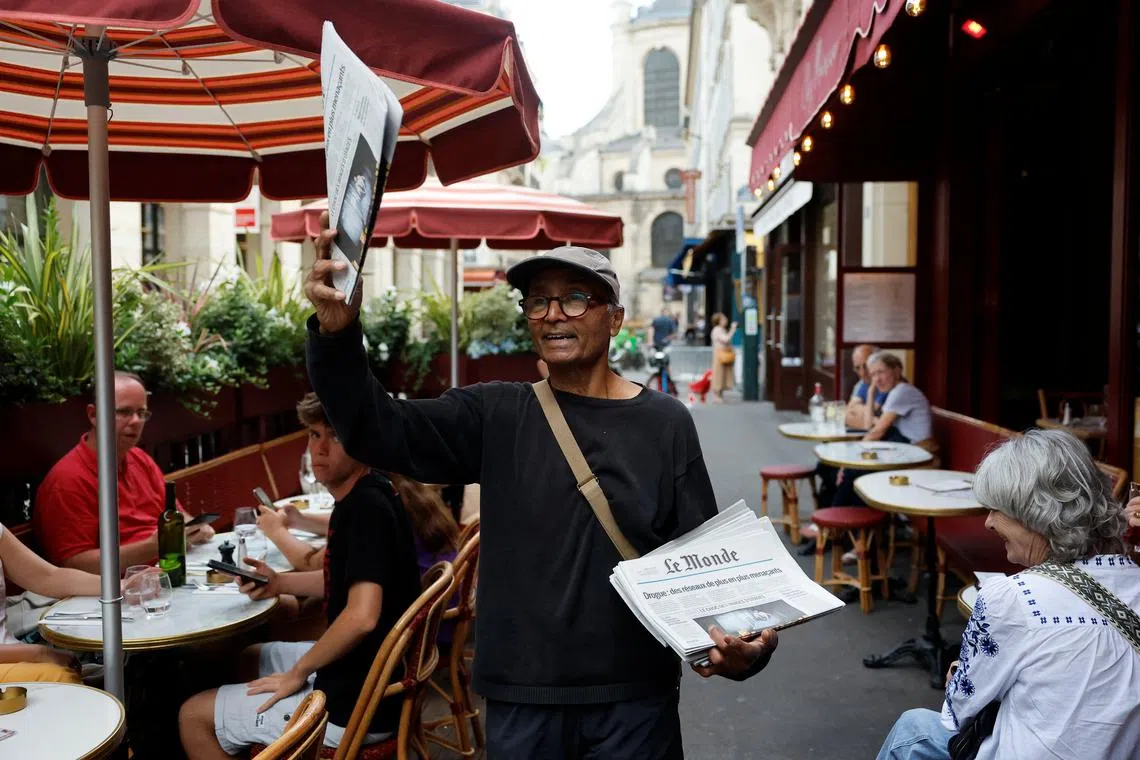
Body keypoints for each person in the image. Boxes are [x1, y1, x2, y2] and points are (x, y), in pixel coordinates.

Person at [304, 219, 779, 759]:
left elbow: (704, 559)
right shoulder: (496, 413)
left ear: (616, 318)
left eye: (576, 299)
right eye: (538, 301)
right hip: (523, 701)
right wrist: (338, 335)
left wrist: (747, 647)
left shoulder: (665, 422)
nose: (553, 313)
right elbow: (374, 428)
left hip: (634, 700)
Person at [179, 393, 421, 759]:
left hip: (353, 707)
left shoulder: (364, 510)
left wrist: (298, 673)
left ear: (362, 441)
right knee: (249, 657)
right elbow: (346, 579)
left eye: (335, 436)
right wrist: (278, 583)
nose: (320, 449)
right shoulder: (374, 491)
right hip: (375, 679)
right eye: (313, 434)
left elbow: (362, 616)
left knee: (192, 714)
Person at [877, 429, 1140, 760]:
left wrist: (959, 674)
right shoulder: (1133, 576)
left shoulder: (1013, 598)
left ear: (1036, 513)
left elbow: (960, 710)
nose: (988, 523)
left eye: (996, 509)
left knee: (913, 728)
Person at [33, 371, 214, 572]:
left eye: (141, 413)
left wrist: (194, 528)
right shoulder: (67, 480)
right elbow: (73, 564)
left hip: (169, 569)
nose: (136, 421)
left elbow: (178, 514)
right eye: (124, 412)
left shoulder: (139, 458)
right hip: (119, 589)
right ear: (93, 414)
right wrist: (153, 546)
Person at [0, 523, 113, 682]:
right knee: (61, 678)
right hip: (18, 659)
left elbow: (47, 577)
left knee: (116, 673)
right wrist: (39, 654)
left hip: (17, 654)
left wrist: (119, 586)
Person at [832, 352, 934, 508]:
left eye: (881, 372)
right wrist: (871, 392)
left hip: (919, 453)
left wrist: (849, 461)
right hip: (906, 450)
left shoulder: (902, 392)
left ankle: (842, 523)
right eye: (873, 375)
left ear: (897, 370)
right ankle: (845, 523)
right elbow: (871, 427)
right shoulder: (896, 391)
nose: (877, 379)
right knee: (846, 471)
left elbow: (876, 432)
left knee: (856, 473)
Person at [844, 343, 887, 429]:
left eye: (866, 366)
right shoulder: (862, 384)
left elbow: (873, 424)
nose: (862, 373)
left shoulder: (888, 383)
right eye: (857, 368)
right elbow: (848, 411)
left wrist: (858, 414)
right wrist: (870, 418)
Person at [709, 313, 737, 403]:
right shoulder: (717, 330)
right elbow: (726, 339)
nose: (725, 320)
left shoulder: (722, 329)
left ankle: (720, 395)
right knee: (718, 374)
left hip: (723, 353)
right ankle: (716, 395)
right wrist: (732, 329)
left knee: (724, 374)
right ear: (719, 321)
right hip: (719, 354)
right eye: (723, 319)